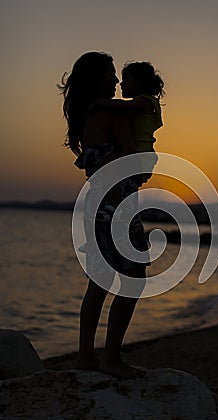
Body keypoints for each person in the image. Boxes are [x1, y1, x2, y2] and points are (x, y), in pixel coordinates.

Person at [58, 52, 149, 378]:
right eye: (110, 74)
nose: (114, 80)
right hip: (117, 209)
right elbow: (133, 161)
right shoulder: (113, 115)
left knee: (99, 283)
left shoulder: (89, 116)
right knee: (134, 280)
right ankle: (111, 358)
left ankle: (86, 356)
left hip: (95, 207)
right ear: (97, 78)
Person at [88, 61, 165, 213]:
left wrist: (101, 103)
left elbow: (124, 106)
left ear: (139, 82)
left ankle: (115, 208)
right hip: (139, 155)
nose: (121, 84)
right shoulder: (140, 104)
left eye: (126, 80)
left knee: (122, 182)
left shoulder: (145, 102)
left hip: (140, 155)